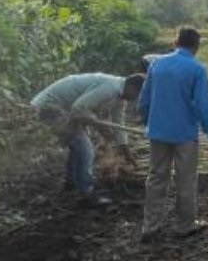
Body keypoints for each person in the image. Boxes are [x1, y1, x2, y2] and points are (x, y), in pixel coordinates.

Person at [139, 27, 208, 241]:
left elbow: (144, 99)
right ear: (196, 47)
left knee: (156, 178)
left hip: (158, 133)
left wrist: (149, 122)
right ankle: (184, 226)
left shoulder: (157, 64)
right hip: (184, 135)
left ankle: (150, 227)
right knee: (185, 180)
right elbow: (203, 107)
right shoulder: (197, 69)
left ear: (175, 42)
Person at [31, 72, 144, 207]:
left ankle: (71, 183)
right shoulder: (111, 88)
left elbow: (119, 123)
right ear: (132, 87)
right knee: (86, 150)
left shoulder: (120, 97)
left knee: (77, 147)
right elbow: (79, 107)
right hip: (52, 108)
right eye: (137, 94)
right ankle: (87, 193)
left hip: (65, 110)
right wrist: (99, 126)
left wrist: (125, 151)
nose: (135, 98)